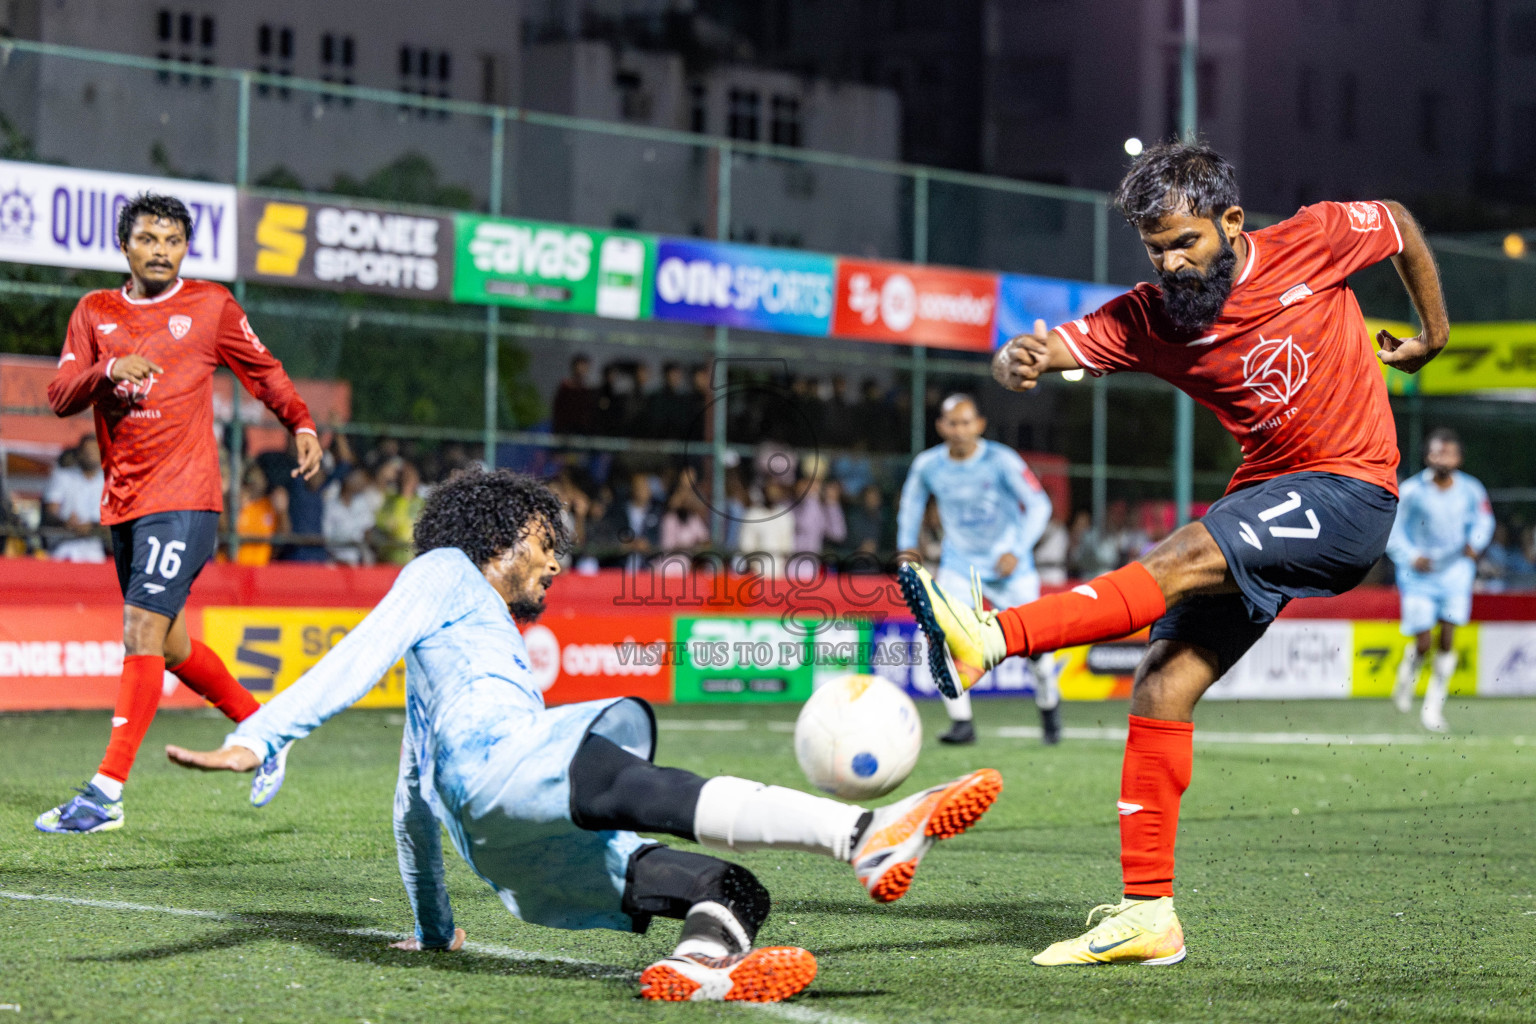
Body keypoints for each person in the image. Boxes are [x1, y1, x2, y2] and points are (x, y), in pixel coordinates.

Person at [898, 141, 1448, 965]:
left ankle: (994, 639)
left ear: (1230, 221)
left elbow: (1399, 224)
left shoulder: (1315, 238)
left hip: (1350, 493)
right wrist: (1024, 355)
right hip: (1264, 498)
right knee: (1163, 681)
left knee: (1189, 547)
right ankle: (1150, 915)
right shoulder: (1153, 317)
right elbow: (1061, 347)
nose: (1171, 262)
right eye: (1155, 248)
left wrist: (1433, 336)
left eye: (1185, 242)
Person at [164, 470, 1001, 1003]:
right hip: (515, 772)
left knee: (731, 887)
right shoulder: (443, 571)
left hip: (507, 844)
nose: (556, 561)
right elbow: (360, 652)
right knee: (628, 780)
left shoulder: (456, 660)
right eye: (543, 540)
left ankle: (704, 966)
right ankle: (861, 833)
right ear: (495, 535)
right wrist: (265, 733)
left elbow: (413, 803)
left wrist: (430, 927)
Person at [37, 192, 322, 834]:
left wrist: (300, 421)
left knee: (140, 629)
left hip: (185, 497)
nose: (160, 250)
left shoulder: (210, 305)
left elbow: (263, 371)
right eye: (148, 239)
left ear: (184, 249)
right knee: (168, 645)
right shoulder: (94, 312)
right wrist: (107, 370)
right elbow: (58, 394)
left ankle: (104, 792)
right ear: (125, 246)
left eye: (172, 240)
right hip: (125, 502)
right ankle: (268, 730)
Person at [896, 395, 1059, 746]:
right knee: (941, 633)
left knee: (1037, 647)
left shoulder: (1001, 460)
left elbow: (1039, 505)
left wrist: (1017, 550)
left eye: (966, 422)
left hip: (1010, 568)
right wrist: (907, 549)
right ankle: (962, 723)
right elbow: (911, 507)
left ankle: (1049, 714)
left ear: (979, 425)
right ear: (941, 426)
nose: (960, 430)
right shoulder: (928, 465)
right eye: (952, 423)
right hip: (959, 565)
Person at [1386, 429, 1493, 732]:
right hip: (1419, 575)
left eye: (1448, 452)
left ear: (1459, 457)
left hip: (1456, 573)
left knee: (1447, 639)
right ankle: (1408, 675)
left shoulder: (1472, 490)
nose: (1442, 457)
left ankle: (1433, 709)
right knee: (1423, 642)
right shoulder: (1411, 490)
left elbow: (1484, 521)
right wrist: (1409, 556)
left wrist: (1477, 542)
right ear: (1427, 456)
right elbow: (1392, 529)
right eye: (1436, 452)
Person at [43, 434, 107, 562]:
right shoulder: (62, 476)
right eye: (87, 451)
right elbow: (51, 510)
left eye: (94, 451)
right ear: (79, 453)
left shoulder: (107, 481)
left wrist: (91, 526)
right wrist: (66, 522)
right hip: (64, 544)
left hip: (95, 547)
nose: (90, 455)